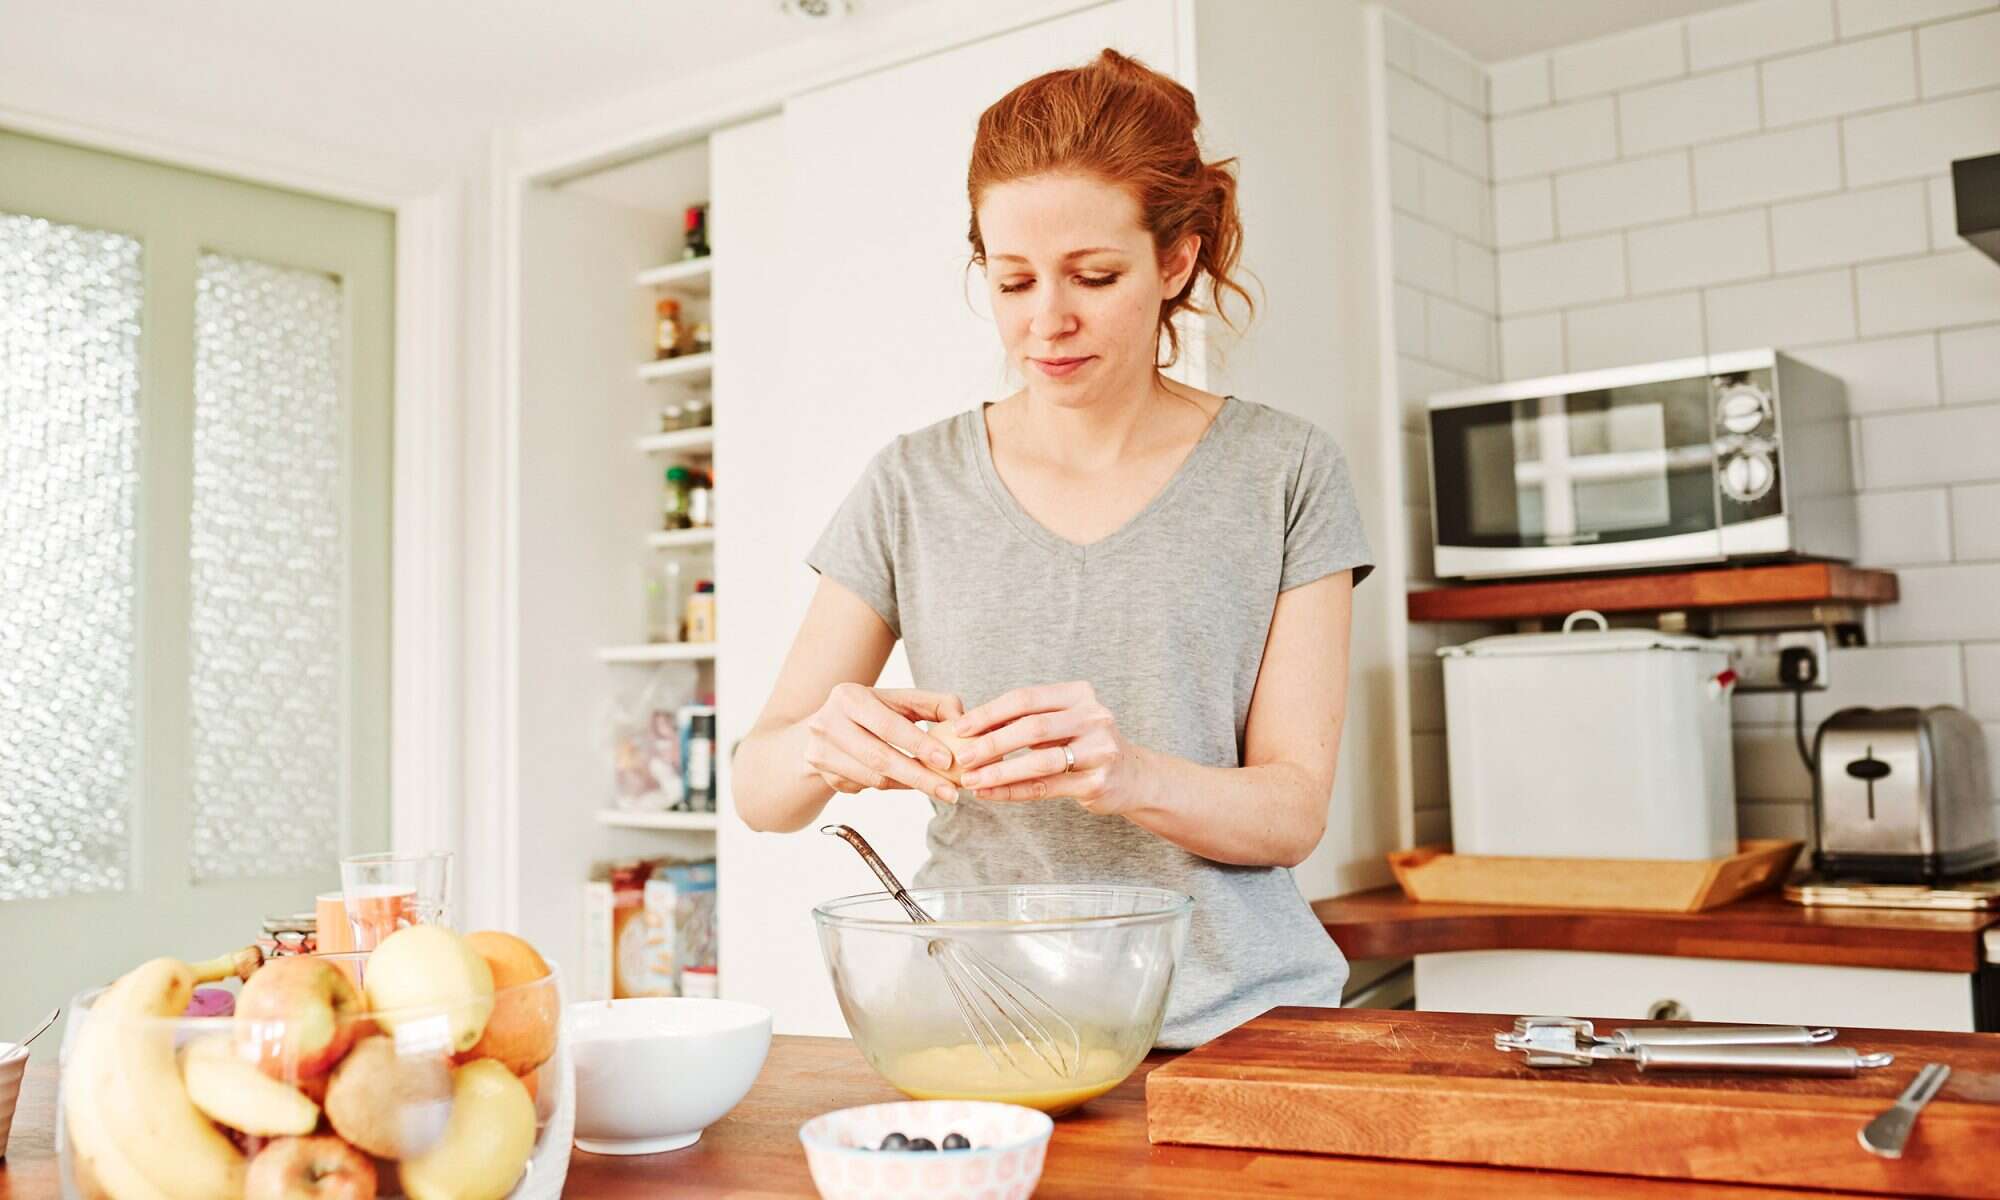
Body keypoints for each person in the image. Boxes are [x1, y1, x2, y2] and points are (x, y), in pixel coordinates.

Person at [732, 48, 1373, 1049]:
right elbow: (759, 789)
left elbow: (1289, 810)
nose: (1046, 322)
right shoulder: (910, 481)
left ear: (1175, 260)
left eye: (1092, 275)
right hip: (982, 1026)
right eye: (1013, 278)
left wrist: (1123, 774)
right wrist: (827, 741)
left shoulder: (1284, 471)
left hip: (1235, 1027)